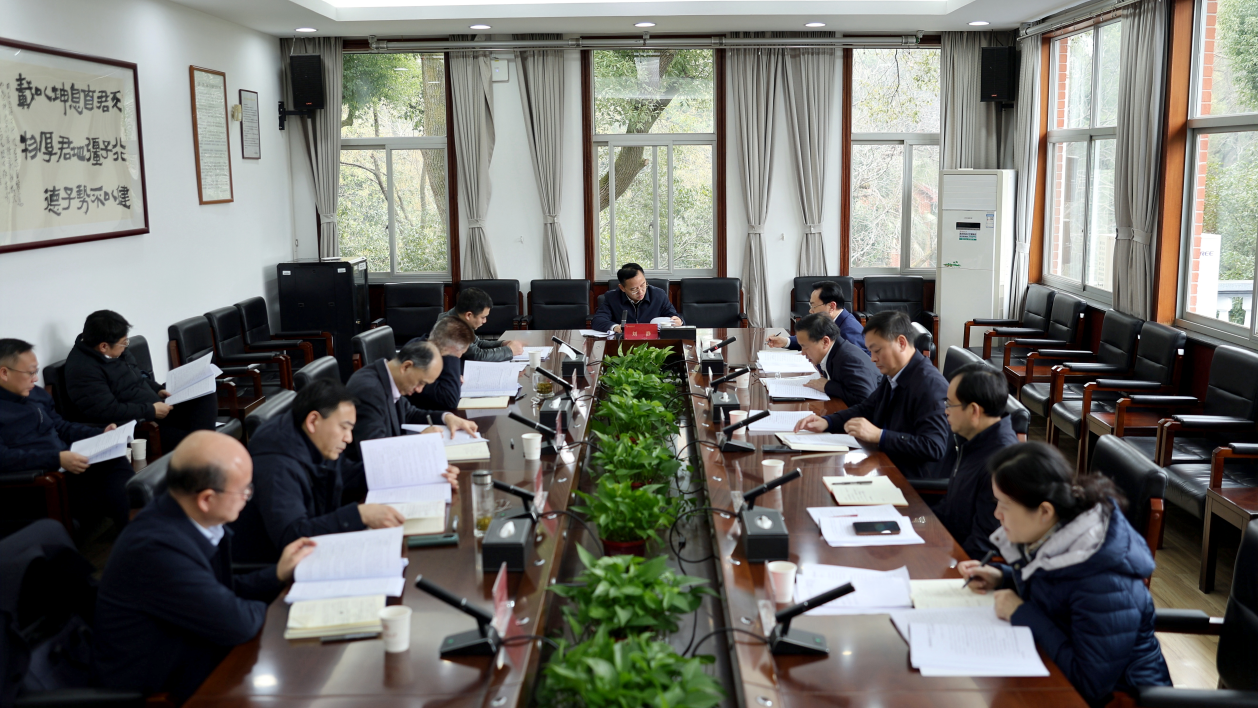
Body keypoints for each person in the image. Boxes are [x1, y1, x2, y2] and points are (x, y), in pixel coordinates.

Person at [94, 431, 318, 702]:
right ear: (206, 499)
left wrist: (277, 573)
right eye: (244, 490)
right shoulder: (157, 549)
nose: (248, 497)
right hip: (163, 687)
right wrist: (285, 611)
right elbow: (237, 622)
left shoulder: (186, 517)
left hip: (197, 648)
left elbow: (219, 592)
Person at [959, 443, 1171, 705]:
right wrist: (1003, 577)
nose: (997, 514)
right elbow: (1057, 588)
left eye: (1005, 505)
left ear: (1044, 511)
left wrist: (1021, 613)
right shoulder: (1056, 535)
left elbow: (1089, 684)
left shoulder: (1104, 581)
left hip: (1121, 698)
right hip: (1055, 675)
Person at [230, 379, 455, 563]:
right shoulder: (277, 464)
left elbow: (349, 474)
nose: (348, 438)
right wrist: (359, 515)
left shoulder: (311, 438)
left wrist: (426, 470)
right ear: (313, 421)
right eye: (344, 428)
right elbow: (293, 536)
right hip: (274, 572)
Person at [793, 311, 950, 479]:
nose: (873, 359)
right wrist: (828, 422)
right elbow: (868, 407)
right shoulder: (897, 373)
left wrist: (879, 435)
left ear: (901, 343)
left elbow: (933, 447)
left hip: (913, 480)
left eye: (877, 350)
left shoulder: (930, 385)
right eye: (871, 351)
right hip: (888, 462)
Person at [0, 338, 131, 533]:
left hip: (65, 465)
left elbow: (61, 427)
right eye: (30, 373)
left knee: (115, 460)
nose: (35, 379)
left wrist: (100, 433)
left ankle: (139, 530)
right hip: (38, 483)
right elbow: (4, 458)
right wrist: (56, 459)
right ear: (4, 373)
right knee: (113, 492)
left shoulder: (35, 394)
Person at [65, 310, 217, 452]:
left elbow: (136, 376)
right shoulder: (83, 370)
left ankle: (205, 446)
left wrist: (158, 389)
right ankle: (202, 450)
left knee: (205, 393)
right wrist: (150, 410)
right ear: (103, 346)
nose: (125, 346)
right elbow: (108, 411)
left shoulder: (115, 350)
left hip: (155, 408)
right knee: (195, 443)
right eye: (123, 343)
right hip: (140, 426)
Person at [344, 340, 479, 466]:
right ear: (406, 366)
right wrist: (419, 441)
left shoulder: (387, 377)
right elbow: (376, 453)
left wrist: (447, 417)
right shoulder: (369, 391)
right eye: (421, 382)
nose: (419, 390)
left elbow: (409, 413)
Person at [933, 363, 1018, 557]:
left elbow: (983, 545)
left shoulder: (1001, 464)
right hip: (947, 544)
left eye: (950, 404)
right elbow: (949, 508)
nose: (946, 411)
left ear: (973, 410)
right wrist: (915, 522)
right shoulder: (973, 439)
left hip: (963, 561)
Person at [792, 313, 879, 406]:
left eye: (805, 347)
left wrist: (827, 386)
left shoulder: (848, 360)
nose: (803, 353)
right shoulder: (835, 351)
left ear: (825, 342)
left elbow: (865, 401)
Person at [767, 280, 869, 355]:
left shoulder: (850, 330)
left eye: (813, 306)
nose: (810, 311)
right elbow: (812, 339)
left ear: (831, 306)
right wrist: (785, 341)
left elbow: (858, 366)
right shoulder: (830, 321)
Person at [591, 263, 683, 334]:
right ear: (622, 288)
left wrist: (679, 321)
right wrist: (615, 327)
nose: (640, 291)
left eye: (643, 285)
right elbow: (597, 320)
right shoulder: (612, 297)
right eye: (634, 289)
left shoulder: (659, 295)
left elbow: (675, 317)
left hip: (653, 342)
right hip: (624, 343)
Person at [407, 316, 476, 412]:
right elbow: (450, 400)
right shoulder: (419, 358)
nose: (460, 356)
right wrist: (452, 357)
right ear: (451, 349)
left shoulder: (423, 343)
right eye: (461, 352)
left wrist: (455, 377)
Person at [436, 287, 524, 362]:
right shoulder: (452, 328)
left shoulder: (460, 317)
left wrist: (501, 344)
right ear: (469, 315)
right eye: (483, 317)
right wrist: (509, 351)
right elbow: (477, 355)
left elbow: (477, 343)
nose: (485, 321)